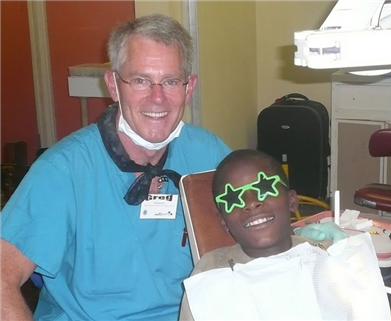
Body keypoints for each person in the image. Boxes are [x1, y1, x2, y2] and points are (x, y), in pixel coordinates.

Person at [0, 14, 231, 321]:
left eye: (171, 81)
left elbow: (253, 236)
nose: (157, 97)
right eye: (140, 80)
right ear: (112, 85)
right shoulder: (64, 171)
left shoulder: (208, 154)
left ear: (189, 88)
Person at [179, 149, 348, 320]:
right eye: (233, 199)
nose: (251, 203)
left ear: (291, 201)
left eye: (264, 187)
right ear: (223, 221)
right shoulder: (210, 272)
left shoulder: (325, 258)